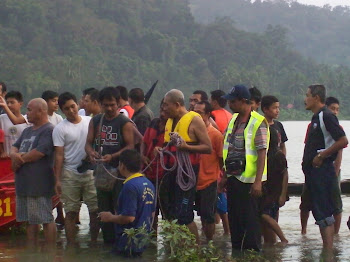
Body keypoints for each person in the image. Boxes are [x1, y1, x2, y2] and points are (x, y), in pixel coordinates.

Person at [220, 84, 269, 252]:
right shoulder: (233, 120)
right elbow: (228, 147)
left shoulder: (258, 122)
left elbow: (262, 153)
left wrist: (257, 182)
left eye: (232, 101)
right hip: (233, 177)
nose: (229, 105)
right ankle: (237, 253)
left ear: (243, 101)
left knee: (251, 222)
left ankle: (253, 254)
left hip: (249, 182)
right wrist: (224, 176)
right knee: (235, 220)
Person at [159, 89, 212, 243]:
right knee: (169, 213)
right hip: (170, 172)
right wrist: (160, 150)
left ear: (177, 105)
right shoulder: (170, 121)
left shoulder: (194, 119)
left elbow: (207, 147)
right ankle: (175, 249)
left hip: (186, 174)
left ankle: (195, 251)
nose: (164, 109)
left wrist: (186, 147)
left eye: (166, 106)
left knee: (184, 214)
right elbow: (166, 144)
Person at [85, 87, 135, 244]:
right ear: (100, 104)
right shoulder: (96, 120)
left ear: (118, 103)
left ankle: (123, 243)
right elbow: (88, 143)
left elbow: (130, 146)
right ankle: (108, 244)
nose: (109, 108)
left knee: (119, 208)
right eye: (105, 105)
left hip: (120, 173)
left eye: (112, 104)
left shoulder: (123, 122)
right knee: (103, 210)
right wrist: (91, 152)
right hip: (101, 172)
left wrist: (112, 156)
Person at [302, 84, 347, 250]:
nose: (305, 99)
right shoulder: (316, 118)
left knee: (324, 213)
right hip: (314, 174)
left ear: (316, 98)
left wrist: (322, 155)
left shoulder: (326, 116)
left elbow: (343, 140)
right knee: (320, 212)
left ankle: (328, 253)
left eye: (307, 95)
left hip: (322, 172)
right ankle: (326, 251)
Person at [53, 92, 99, 246]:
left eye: (73, 106)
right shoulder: (60, 129)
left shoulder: (90, 121)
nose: (71, 111)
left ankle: (93, 243)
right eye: (67, 109)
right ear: (62, 111)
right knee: (71, 212)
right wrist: (58, 180)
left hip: (91, 172)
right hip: (69, 174)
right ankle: (71, 246)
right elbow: (58, 156)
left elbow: (97, 142)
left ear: (78, 105)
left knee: (94, 211)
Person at [10, 98, 56, 248]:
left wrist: (18, 159)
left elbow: (39, 153)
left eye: (29, 110)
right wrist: (14, 155)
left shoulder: (49, 130)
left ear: (41, 111)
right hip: (23, 184)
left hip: (39, 184)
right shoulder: (27, 130)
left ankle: (50, 252)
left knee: (45, 218)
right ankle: (32, 252)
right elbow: (14, 147)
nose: (27, 113)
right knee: (29, 219)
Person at [99, 149, 155, 257]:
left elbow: (129, 217)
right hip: (142, 240)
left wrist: (109, 217)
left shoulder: (129, 186)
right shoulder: (148, 183)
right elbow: (151, 214)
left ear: (122, 165)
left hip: (128, 241)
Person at [260, 95, 289, 244]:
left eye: (278, 107)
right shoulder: (261, 126)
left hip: (277, 170)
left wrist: (282, 159)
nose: (277, 110)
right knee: (263, 212)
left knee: (273, 210)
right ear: (265, 109)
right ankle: (275, 242)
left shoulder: (278, 126)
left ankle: (273, 245)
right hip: (265, 172)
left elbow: (282, 144)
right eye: (274, 108)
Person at [194, 101, 223, 241]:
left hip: (209, 181)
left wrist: (222, 181)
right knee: (196, 214)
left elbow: (222, 159)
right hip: (192, 181)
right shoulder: (191, 132)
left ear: (207, 115)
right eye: (194, 112)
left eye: (199, 112)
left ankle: (209, 243)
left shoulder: (216, 135)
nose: (196, 115)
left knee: (208, 215)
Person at [141, 100, 167, 232]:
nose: (163, 113)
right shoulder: (153, 123)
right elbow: (144, 142)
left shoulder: (174, 127)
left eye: (165, 111)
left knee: (167, 212)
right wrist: (143, 156)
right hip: (150, 173)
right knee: (151, 211)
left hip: (165, 176)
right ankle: (151, 245)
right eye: (161, 110)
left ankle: (169, 247)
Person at [0, 91, 30, 156]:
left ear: (20, 104)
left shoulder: (27, 119)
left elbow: (15, 121)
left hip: (22, 158)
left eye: (12, 102)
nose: (9, 105)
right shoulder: (1, 118)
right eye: (7, 103)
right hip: (6, 158)